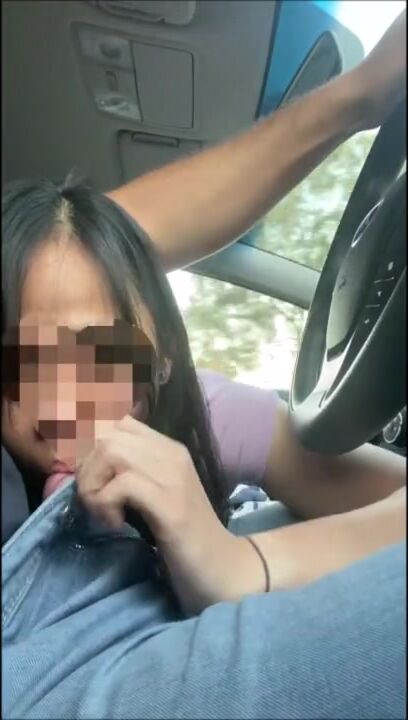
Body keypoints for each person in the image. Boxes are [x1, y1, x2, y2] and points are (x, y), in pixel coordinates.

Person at [2, 12, 406, 719]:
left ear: (159, 360)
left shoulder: (203, 413)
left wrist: (239, 561)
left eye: (101, 353)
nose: (59, 399)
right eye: (23, 362)